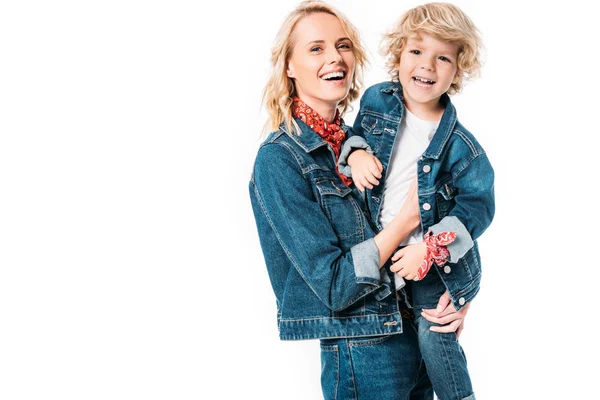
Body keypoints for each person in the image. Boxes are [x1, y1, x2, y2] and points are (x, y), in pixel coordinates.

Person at [249, 1, 470, 398]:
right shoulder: (280, 159)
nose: (334, 57)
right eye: (316, 48)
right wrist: (405, 222)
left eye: (343, 45)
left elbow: (451, 217)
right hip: (364, 351)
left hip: (416, 334)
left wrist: (454, 297)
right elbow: (334, 285)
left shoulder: (370, 139)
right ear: (288, 66)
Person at [338, 3, 494, 400]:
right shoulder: (376, 101)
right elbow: (352, 136)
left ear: (457, 70)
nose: (427, 66)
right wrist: (355, 155)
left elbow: (477, 207)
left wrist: (429, 247)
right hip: (384, 249)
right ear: (398, 55)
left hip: (432, 266)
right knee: (399, 349)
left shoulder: (462, 147)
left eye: (443, 57)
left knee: (434, 335)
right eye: (417, 52)